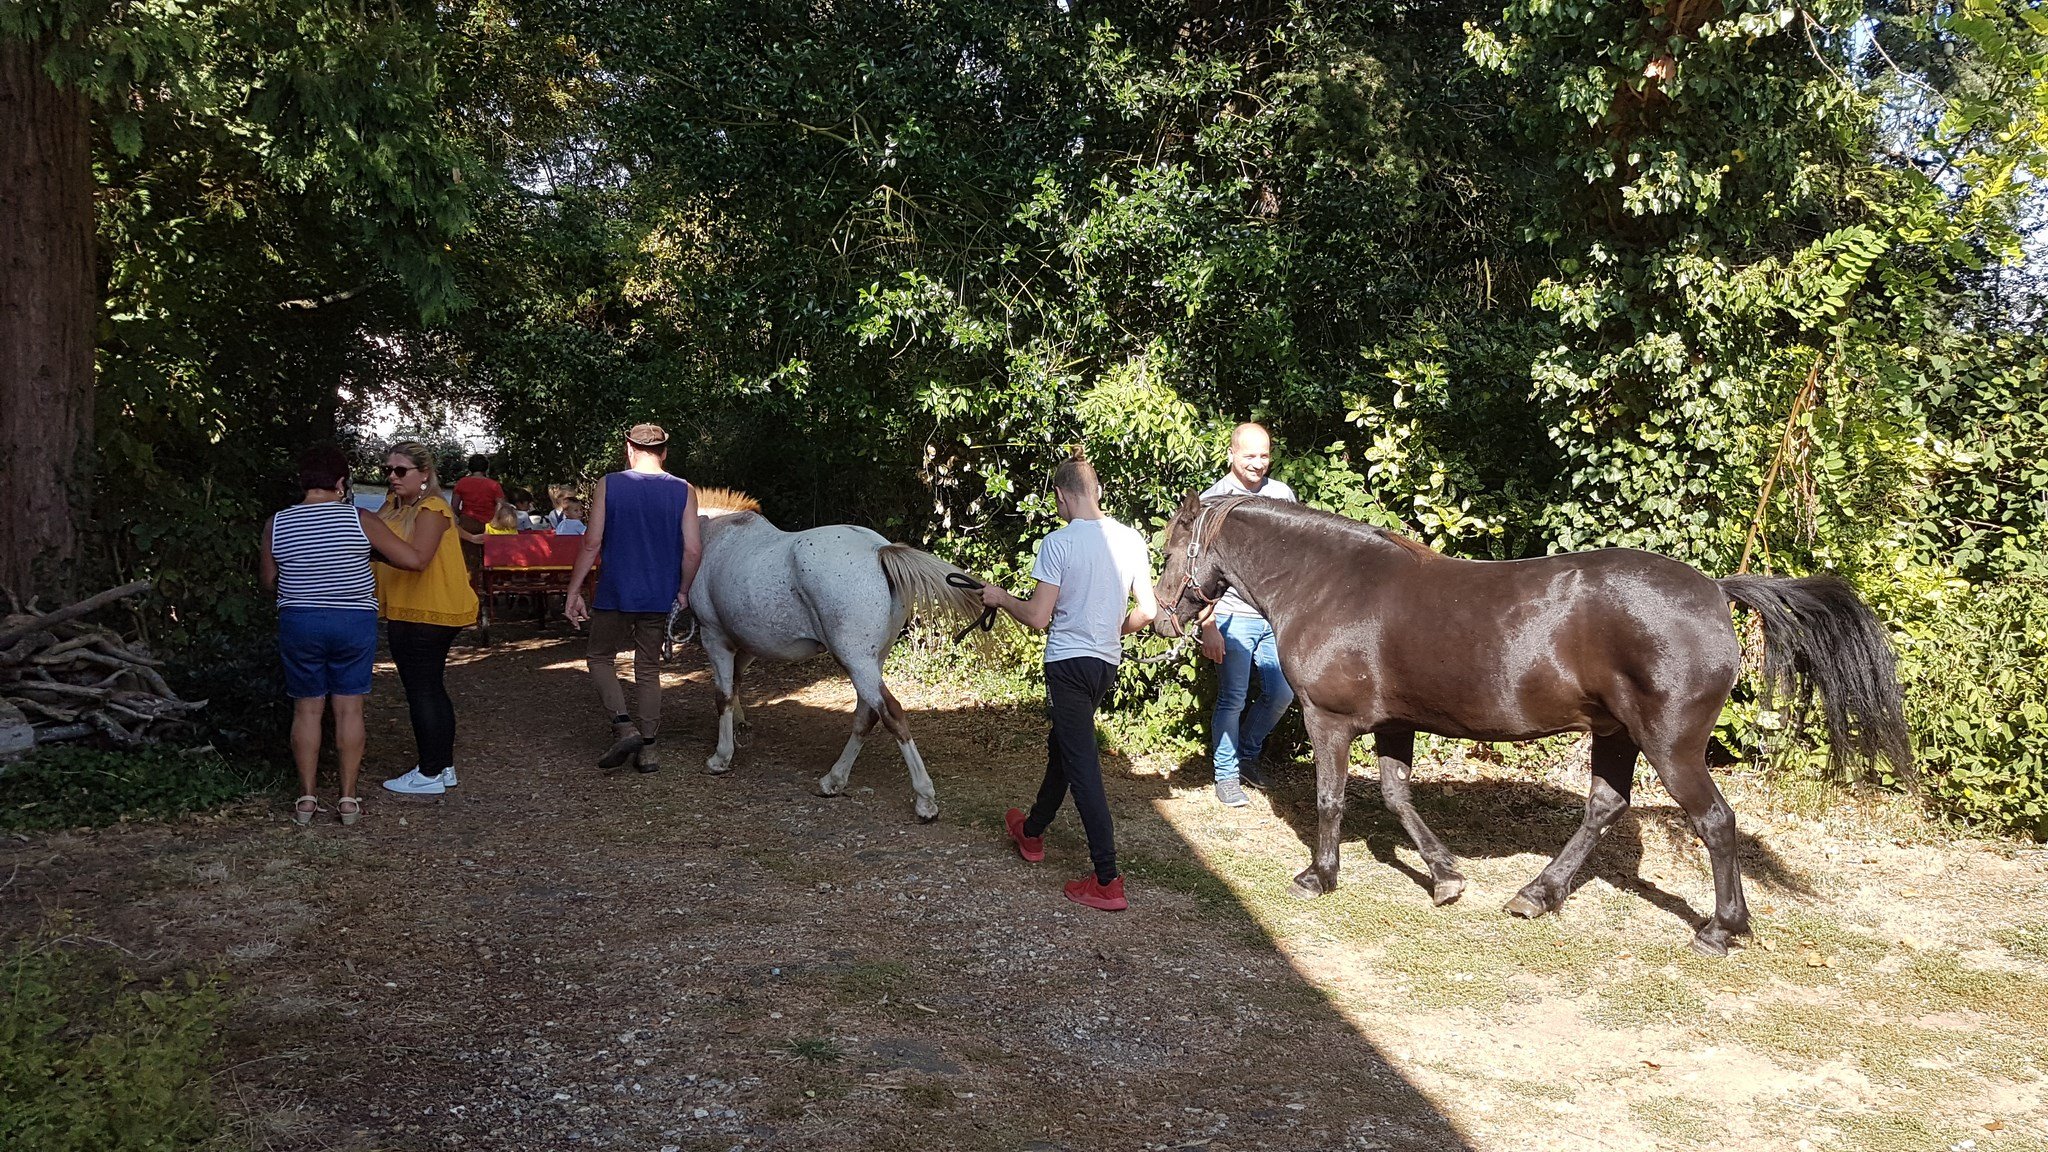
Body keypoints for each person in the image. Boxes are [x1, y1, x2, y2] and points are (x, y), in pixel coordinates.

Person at [980, 452, 1156, 911]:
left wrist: (1001, 598)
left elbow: (1038, 617)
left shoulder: (1058, 543)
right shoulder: (1131, 539)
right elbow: (1149, 611)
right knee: (1064, 747)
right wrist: (1113, 630)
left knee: (1082, 765)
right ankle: (1032, 831)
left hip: (1067, 665)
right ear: (1097, 491)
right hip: (1104, 666)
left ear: (1061, 495)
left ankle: (1107, 879)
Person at [260, 445, 429, 826]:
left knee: (307, 709)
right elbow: (411, 560)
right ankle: (348, 800)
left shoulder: (277, 523)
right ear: (340, 482)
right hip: (352, 621)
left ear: (302, 481)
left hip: (300, 621)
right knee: (349, 708)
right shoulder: (360, 519)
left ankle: (306, 799)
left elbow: (269, 580)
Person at [564, 424, 701, 773]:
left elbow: (592, 543)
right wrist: (683, 591)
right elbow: (692, 549)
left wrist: (574, 590)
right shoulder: (684, 490)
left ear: (629, 448)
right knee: (648, 668)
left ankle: (624, 727)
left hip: (615, 591)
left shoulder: (609, 484)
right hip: (658, 594)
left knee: (599, 657)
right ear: (664, 452)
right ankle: (650, 749)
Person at [1199, 422, 1298, 808]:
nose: (1258, 463)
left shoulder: (1281, 496)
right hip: (1230, 616)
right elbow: (1199, 572)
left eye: (1264, 455)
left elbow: (1294, 559)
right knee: (1233, 697)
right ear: (1231, 454)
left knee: (1281, 693)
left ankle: (1247, 756)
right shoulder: (1214, 500)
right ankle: (1226, 775)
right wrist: (1208, 625)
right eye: (1250, 455)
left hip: (1274, 618)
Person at [374, 441, 481, 796]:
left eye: (400, 470)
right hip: (409, 608)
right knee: (429, 686)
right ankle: (442, 766)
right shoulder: (394, 506)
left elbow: (418, 558)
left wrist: (376, 551)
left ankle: (430, 771)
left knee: (421, 689)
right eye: (387, 470)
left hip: (428, 611)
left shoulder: (432, 509)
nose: (392, 476)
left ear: (424, 474)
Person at [450, 453, 504, 572]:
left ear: (470, 467)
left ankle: (472, 581)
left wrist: (461, 516)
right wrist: (495, 519)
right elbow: (500, 505)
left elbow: (454, 505)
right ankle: (487, 581)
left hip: (467, 523)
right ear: (486, 468)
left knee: (469, 561)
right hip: (489, 524)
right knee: (490, 560)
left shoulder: (462, 483)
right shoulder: (494, 485)